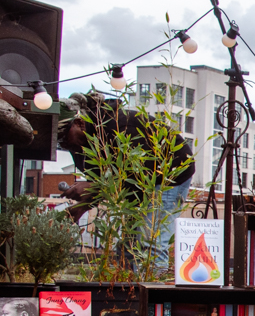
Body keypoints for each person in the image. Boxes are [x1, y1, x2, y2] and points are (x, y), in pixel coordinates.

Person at [56, 91, 196, 271]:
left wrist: (95, 186)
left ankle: (153, 297)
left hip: (168, 176)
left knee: (150, 245)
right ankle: (132, 295)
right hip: (138, 187)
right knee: (128, 249)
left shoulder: (118, 126)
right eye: (59, 142)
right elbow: (107, 184)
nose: (63, 144)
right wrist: (81, 206)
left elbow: (140, 172)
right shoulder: (79, 146)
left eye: (63, 137)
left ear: (80, 123)